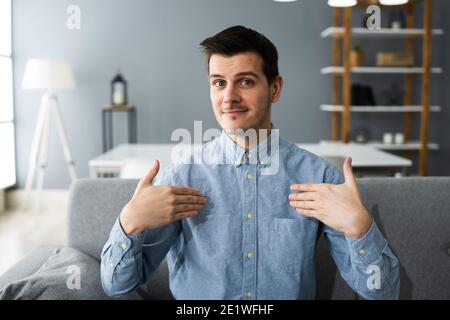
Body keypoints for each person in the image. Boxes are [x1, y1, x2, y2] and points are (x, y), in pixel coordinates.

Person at [100, 26, 400, 300]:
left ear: (275, 88)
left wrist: (361, 229)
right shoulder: (180, 178)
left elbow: (383, 294)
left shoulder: (319, 177)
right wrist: (129, 223)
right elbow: (117, 286)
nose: (229, 97)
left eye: (245, 81)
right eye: (219, 83)